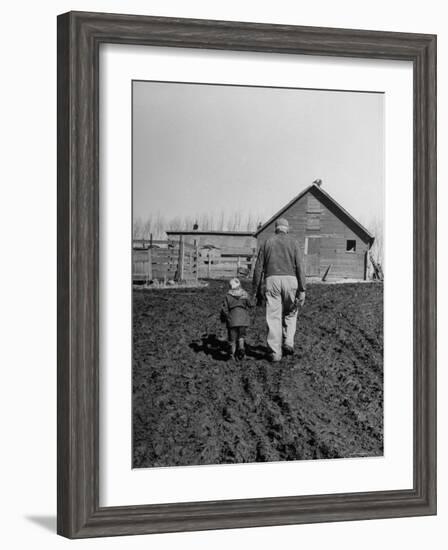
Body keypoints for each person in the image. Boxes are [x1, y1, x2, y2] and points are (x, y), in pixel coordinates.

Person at [252, 218, 306, 362]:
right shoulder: (294, 243)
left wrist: (256, 290)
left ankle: (275, 353)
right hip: (291, 281)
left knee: (274, 316)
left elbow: (258, 268)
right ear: (286, 229)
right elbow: (300, 267)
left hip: (272, 280)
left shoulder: (267, 243)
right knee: (291, 312)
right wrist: (302, 289)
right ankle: (288, 341)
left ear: (276, 229)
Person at [220, 277, 252, 360]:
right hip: (243, 319)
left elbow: (224, 309)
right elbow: (251, 304)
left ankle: (231, 355)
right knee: (241, 336)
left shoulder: (228, 296)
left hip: (232, 319)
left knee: (232, 339)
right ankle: (241, 348)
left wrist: (226, 317)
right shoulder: (245, 294)